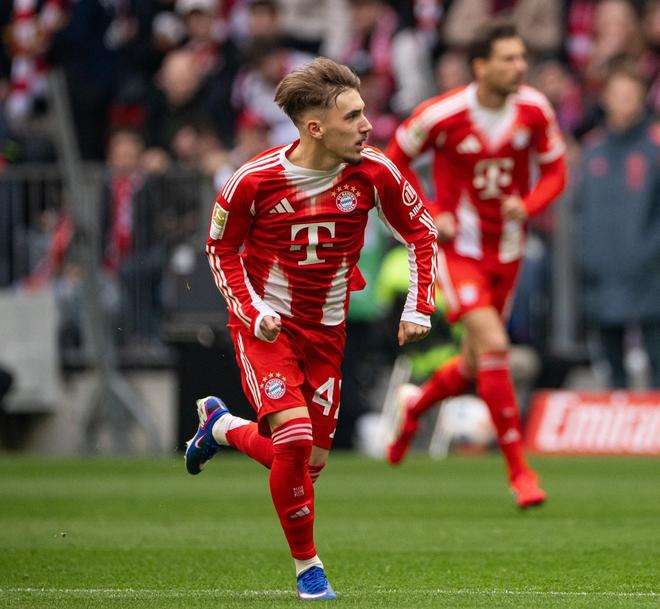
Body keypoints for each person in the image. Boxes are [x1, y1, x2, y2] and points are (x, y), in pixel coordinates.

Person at [184, 57, 438, 600]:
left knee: (307, 464)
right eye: (353, 116)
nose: (367, 125)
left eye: (364, 112)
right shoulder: (253, 181)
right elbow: (220, 250)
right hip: (267, 330)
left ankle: (222, 427)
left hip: (328, 332)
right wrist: (253, 311)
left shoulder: (374, 171)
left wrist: (419, 307)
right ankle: (309, 569)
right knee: (295, 441)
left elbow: (421, 231)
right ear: (316, 128)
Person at [385, 19, 567, 508]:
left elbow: (556, 170)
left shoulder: (534, 109)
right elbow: (393, 162)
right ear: (480, 66)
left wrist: (528, 205)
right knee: (494, 344)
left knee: (474, 364)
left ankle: (415, 406)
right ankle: (520, 471)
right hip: (459, 251)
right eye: (508, 58)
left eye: (521, 57)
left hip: (507, 251)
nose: (519, 66)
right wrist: (428, 212)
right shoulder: (442, 114)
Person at [575, 64, 660, 389]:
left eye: (631, 95)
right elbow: (580, 212)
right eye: (618, 94)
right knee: (611, 367)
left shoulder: (655, 147)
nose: (624, 101)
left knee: (656, 357)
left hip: (651, 274)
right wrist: (586, 258)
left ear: (642, 99)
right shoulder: (591, 149)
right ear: (605, 98)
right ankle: (618, 411)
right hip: (602, 274)